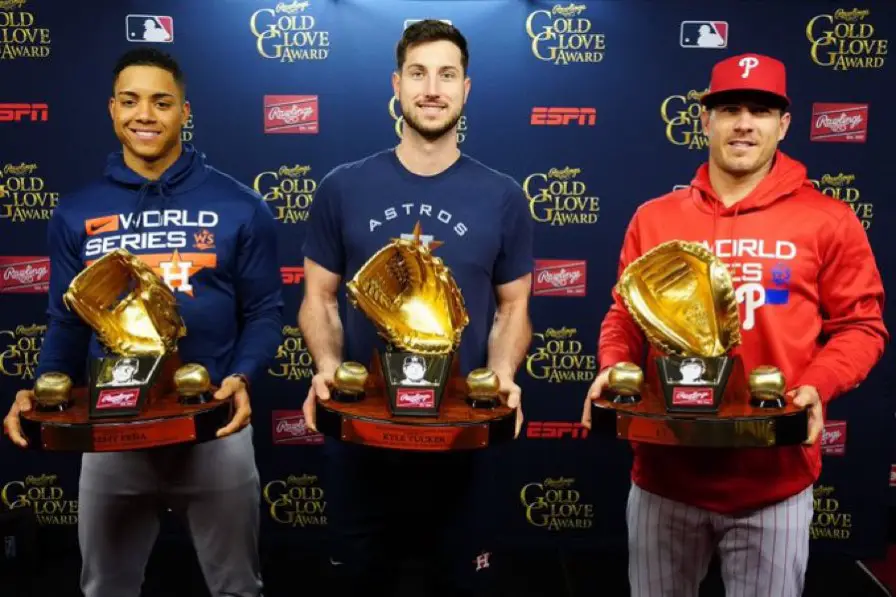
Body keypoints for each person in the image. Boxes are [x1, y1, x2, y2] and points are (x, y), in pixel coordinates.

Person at [582, 53, 888, 597]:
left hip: (774, 479)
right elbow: (625, 314)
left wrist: (819, 383)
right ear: (705, 120)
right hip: (665, 475)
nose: (744, 123)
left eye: (761, 110)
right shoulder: (655, 218)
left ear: (784, 124)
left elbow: (862, 326)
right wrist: (614, 366)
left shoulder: (828, 219)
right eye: (729, 109)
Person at [2, 48, 283, 597]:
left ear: (184, 111)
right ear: (112, 110)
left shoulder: (240, 205)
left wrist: (243, 377)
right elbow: (65, 319)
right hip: (112, 431)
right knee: (106, 587)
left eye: (161, 102)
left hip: (213, 424)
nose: (145, 115)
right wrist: (43, 388)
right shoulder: (76, 212)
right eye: (130, 101)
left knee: (237, 588)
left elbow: (266, 312)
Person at [299, 20, 533, 597]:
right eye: (419, 73)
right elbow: (319, 299)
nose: (433, 88)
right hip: (364, 434)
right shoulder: (342, 186)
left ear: (466, 88)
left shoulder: (502, 194)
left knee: (463, 584)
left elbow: (513, 309)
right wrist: (328, 366)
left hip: (462, 437)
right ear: (397, 85)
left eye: (447, 74)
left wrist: (502, 375)